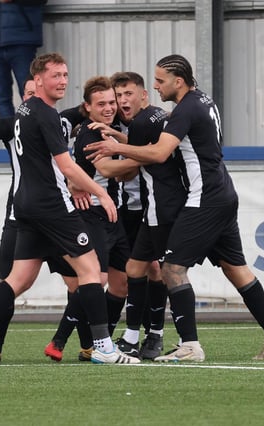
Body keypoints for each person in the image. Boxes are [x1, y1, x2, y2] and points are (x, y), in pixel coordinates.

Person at [85, 54, 264, 362]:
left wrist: (117, 147)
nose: (155, 86)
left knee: (171, 268)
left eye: (159, 81)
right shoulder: (202, 101)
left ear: (178, 82)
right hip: (223, 192)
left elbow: (159, 152)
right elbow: (172, 143)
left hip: (204, 198)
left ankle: (190, 345)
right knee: (235, 268)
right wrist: (123, 137)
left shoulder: (185, 109)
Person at [0, 52, 138, 365]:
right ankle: (104, 347)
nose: (63, 80)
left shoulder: (25, 110)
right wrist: (100, 194)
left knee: (18, 279)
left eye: (65, 75)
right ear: (38, 80)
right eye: (56, 75)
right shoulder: (45, 113)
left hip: (24, 205)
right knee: (90, 270)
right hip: (50, 204)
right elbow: (67, 166)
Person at [0, 79, 84, 362]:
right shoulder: (14, 124)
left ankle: (88, 345)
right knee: (10, 283)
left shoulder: (59, 119)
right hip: (21, 219)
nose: (33, 100)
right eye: (29, 94)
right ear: (23, 98)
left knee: (83, 281)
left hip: (55, 218)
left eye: (38, 94)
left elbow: (94, 105)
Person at [43, 76, 132, 362]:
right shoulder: (90, 134)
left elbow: (126, 172)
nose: (109, 108)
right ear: (88, 108)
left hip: (112, 214)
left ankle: (99, 339)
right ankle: (64, 341)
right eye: (101, 104)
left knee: (122, 282)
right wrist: (151, 155)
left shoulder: (112, 129)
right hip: (92, 213)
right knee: (95, 279)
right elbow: (106, 170)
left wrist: (123, 143)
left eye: (112, 102)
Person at [90, 71, 177, 361]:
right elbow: (140, 151)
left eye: (128, 94)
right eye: (119, 96)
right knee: (138, 270)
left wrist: (113, 151)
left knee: (155, 269)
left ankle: (155, 336)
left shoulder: (149, 120)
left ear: (144, 96)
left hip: (157, 207)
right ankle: (136, 336)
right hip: (131, 209)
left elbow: (127, 167)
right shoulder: (131, 124)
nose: (121, 101)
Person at [0, 0, 46, 118]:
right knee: (2, 97)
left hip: (22, 42)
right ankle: (8, 135)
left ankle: (30, 134)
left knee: (30, 94)